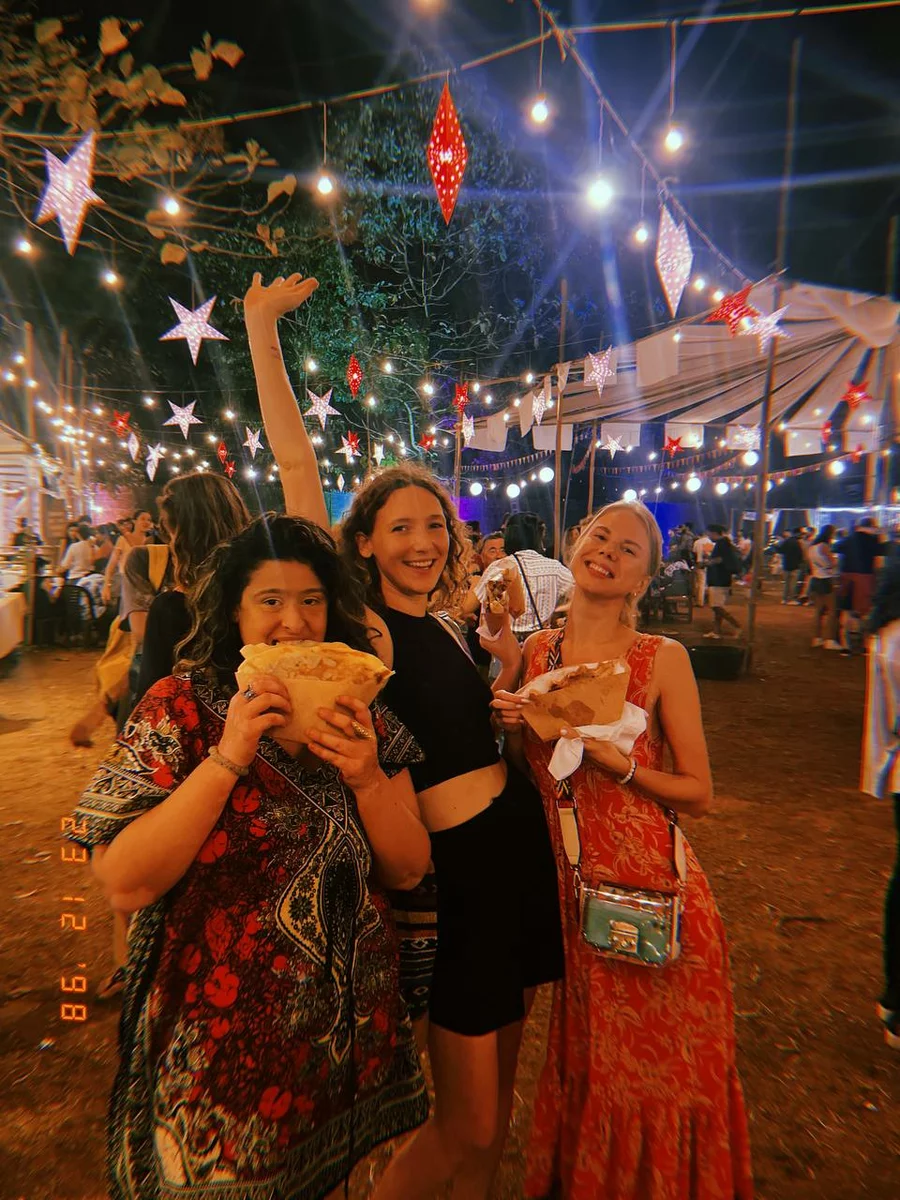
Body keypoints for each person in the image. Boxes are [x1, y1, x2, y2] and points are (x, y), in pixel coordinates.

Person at [67, 514, 431, 1198]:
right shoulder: (177, 707)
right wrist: (227, 758)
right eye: (270, 601)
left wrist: (367, 779)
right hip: (216, 1060)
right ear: (234, 614)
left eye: (312, 600)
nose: (294, 622)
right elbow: (122, 882)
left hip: (337, 1052)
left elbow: (409, 868)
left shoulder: (364, 716)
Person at [491, 500, 753, 1199]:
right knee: (597, 1066)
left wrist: (620, 764)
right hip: (578, 901)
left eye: (628, 549)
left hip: (654, 900)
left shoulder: (660, 659)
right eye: (599, 535)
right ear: (576, 543)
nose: (607, 551)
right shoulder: (539, 653)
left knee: (659, 1078)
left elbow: (698, 792)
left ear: (644, 578)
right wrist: (506, 702)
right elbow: (532, 776)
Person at [340, 469, 564, 1200]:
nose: (423, 542)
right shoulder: (368, 628)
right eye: (399, 527)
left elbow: (458, 729)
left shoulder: (441, 622)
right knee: (463, 1121)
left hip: (514, 856)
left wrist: (503, 668)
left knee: (499, 1097)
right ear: (365, 541)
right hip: (456, 881)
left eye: (434, 525)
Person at [133, 474, 251, 707]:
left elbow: (149, 706)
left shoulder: (170, 609)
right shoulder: (262, 600)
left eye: (170, 533)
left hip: (197, 740)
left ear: (183, 537)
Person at [861, 553, 900, 1049]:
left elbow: (883, 726)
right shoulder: (891, 642)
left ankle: (894, 997)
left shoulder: (888, 640)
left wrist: (879, 775)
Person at [476, 511, 574, 640]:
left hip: (506, 642)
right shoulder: (555, 569)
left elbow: (484, 606)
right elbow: (579, 594)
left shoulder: (498, 568)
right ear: (539, 537)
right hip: (541, 641)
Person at [836, 518, 888, 653]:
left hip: (847, 577)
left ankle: (845, 645)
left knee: (846, 611)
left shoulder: (848, 538)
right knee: (865, 611)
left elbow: (835, 547)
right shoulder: (872, 540)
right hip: (865, 578)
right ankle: (864, 644)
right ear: (871, 527)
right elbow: (883, 552)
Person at [102, 509, 154, 608]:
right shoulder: (123, 540)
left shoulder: (150, 541)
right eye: (142, 519)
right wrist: (106, 585)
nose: (146, 522)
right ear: (134, 521)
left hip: (146, 584)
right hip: (127, 583)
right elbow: (111, 565)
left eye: (149, 520)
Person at [704, 524, 742, 639]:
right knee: (717, 607)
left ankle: (737, 626)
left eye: (709, 533)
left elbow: (720, 559)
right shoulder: (726, 543)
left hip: (719, 579)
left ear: (715, 533)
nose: (708, 536)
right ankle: (716, 631)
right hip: (722, 579)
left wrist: (707, 562)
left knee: (716, 606)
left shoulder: (722, 544)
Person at [807, 525, 842, 650]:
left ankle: (817, 638)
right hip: (826, 580)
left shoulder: (811, 547)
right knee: (832, 611)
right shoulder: (824, 546)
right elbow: (833, 562)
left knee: (818, 611)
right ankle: (830, 640)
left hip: (815, 579)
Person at [775, 527, 806, 604]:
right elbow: (801, 555)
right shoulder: (798, 542)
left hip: (786, 564)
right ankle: (791, 599)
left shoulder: (787, 541)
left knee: (786, 583)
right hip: (795, 565)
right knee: (792, 583)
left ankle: (784, 599)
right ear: (798, 533)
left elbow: (780, 550)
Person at [693, 527, 714, 606]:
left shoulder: (697, 542)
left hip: (698, 563)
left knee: (697, 582)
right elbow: (708, 554)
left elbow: (694, 553)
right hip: (705, 564)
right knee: (703, 583)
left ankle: (697, 599)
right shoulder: (708, 542)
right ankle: (700, 601)